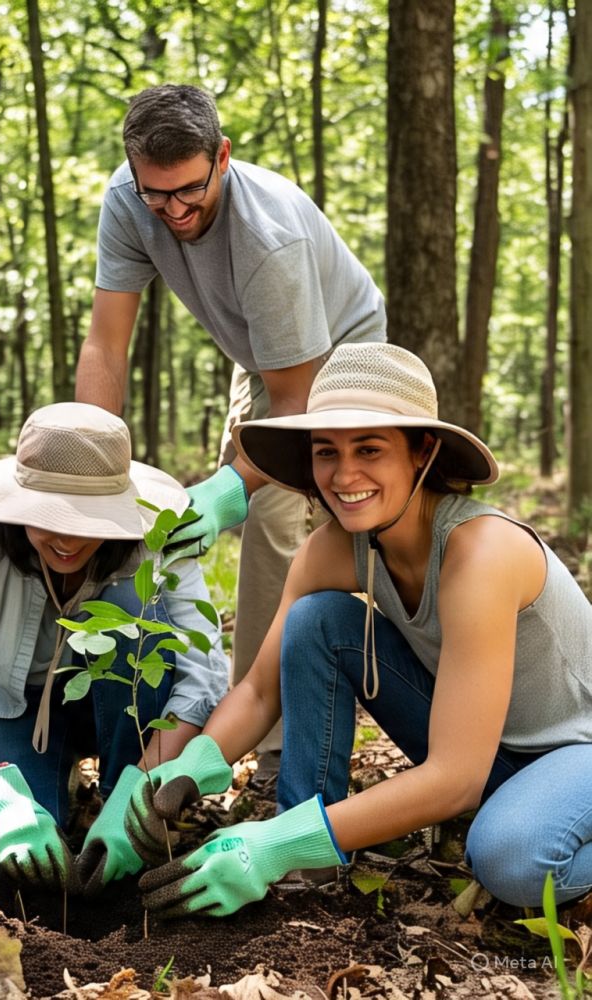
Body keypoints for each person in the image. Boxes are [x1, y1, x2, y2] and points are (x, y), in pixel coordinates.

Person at [119, 342, 592, 918]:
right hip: (491, 749)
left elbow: (454, 778)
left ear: (422, 452)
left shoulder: (481, 552)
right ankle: (305, 860)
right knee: (316, 619)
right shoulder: (334, 550)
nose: (344, 475)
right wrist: (185, 769)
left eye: (370, 448)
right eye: (326, 452)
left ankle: (292, 843)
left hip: (576, 751)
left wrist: (268, 844)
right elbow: (260, 690)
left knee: (511, 860)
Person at [76, 83, 387, 761]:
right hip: (262, 353)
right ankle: (228, 695)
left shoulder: (267, 240)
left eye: (188, 190)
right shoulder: (130, 201)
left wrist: (225, 490)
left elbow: (296, 408)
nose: (173, 210)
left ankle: (269, 739)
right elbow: (106, 341)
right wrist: (91, 459)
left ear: (221, 156)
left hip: (342, 355)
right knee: (241, 510)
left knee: (270, 515)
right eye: (155, 193)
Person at [0, 402, 227, 893]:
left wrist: (140, 792)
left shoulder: (155, 540)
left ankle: (119, 803)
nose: (67, 539)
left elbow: (203, 677)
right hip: (14, 706)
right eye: (47, 516)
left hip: (125, 714)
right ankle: (51, 785)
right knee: (1, 870)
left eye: (90, 519)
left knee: (142, 612)